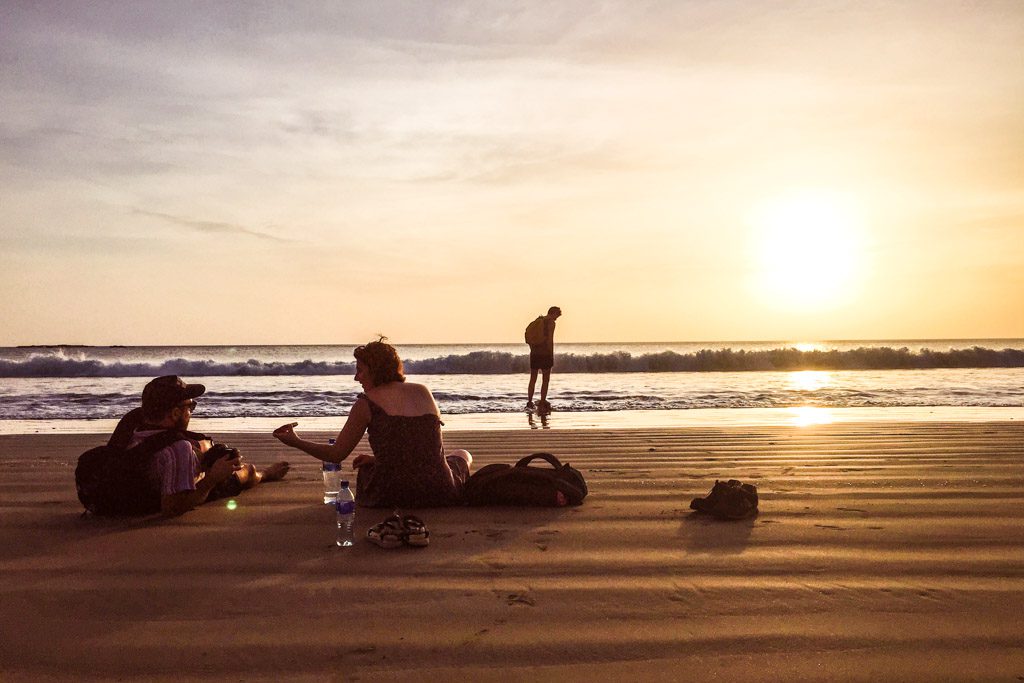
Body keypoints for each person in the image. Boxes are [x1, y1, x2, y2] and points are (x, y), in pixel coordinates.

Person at [272, 339, 472, 508]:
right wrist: (378, 459)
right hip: (440, 491)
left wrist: (295, 441)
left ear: (375, 370)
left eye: (360, 371)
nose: (356, 377)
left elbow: (336, 455)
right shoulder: (423, 391)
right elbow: (422, 449)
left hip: (391, 494)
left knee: (366, 473)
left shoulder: (366, 403)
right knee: (463, 454)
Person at [121, 376, 290, 517]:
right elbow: (172, 508)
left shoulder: (131, 428)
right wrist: (212, 478)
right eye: (190, 407)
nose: (191, 413)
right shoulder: (178, 449)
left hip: (135, 492)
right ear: (175, 413)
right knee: (248, 471)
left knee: (204, 450)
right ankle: (266, 474)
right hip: (168, 495)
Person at [526, 306, 562, 412]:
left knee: (533, 379)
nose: (556, 319)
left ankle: (529, 402)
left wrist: (533, 349)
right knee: (545, 380)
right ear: (553, 313)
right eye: (557, 316)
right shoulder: (551, 323)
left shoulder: (538, 321)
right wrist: (551, 355)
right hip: (545, 353)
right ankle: (542, 401)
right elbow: (549, 340)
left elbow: (530, 338)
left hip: (534, 353)